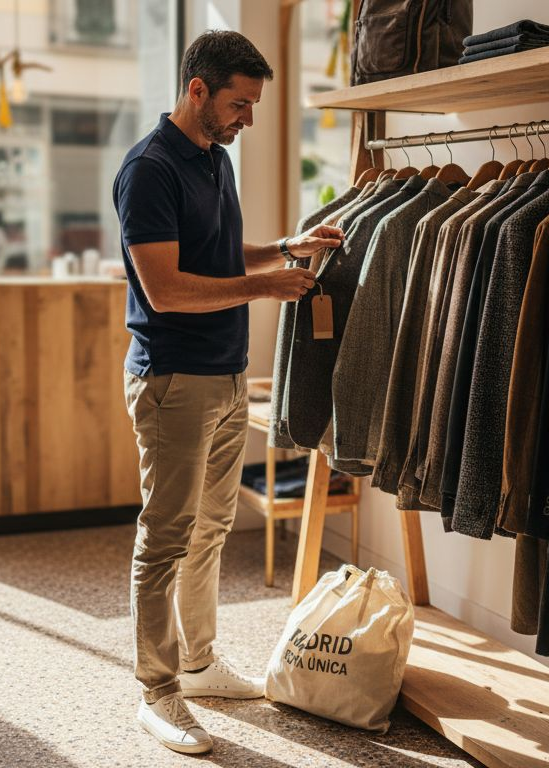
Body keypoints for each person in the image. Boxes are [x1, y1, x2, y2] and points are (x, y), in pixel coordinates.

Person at [111, 30, 342, 755]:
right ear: (197, 90)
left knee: (211, 530)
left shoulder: (214, 160)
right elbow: (167, 286)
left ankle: (199, 662)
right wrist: (266, 287)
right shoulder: (149, 170)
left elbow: (214, 254)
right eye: (239, 104)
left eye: (253, 106)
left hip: (225, 374)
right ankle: (157, 690)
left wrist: (283, 250)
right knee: (167, 538)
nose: (247, 119)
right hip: (174, 380)